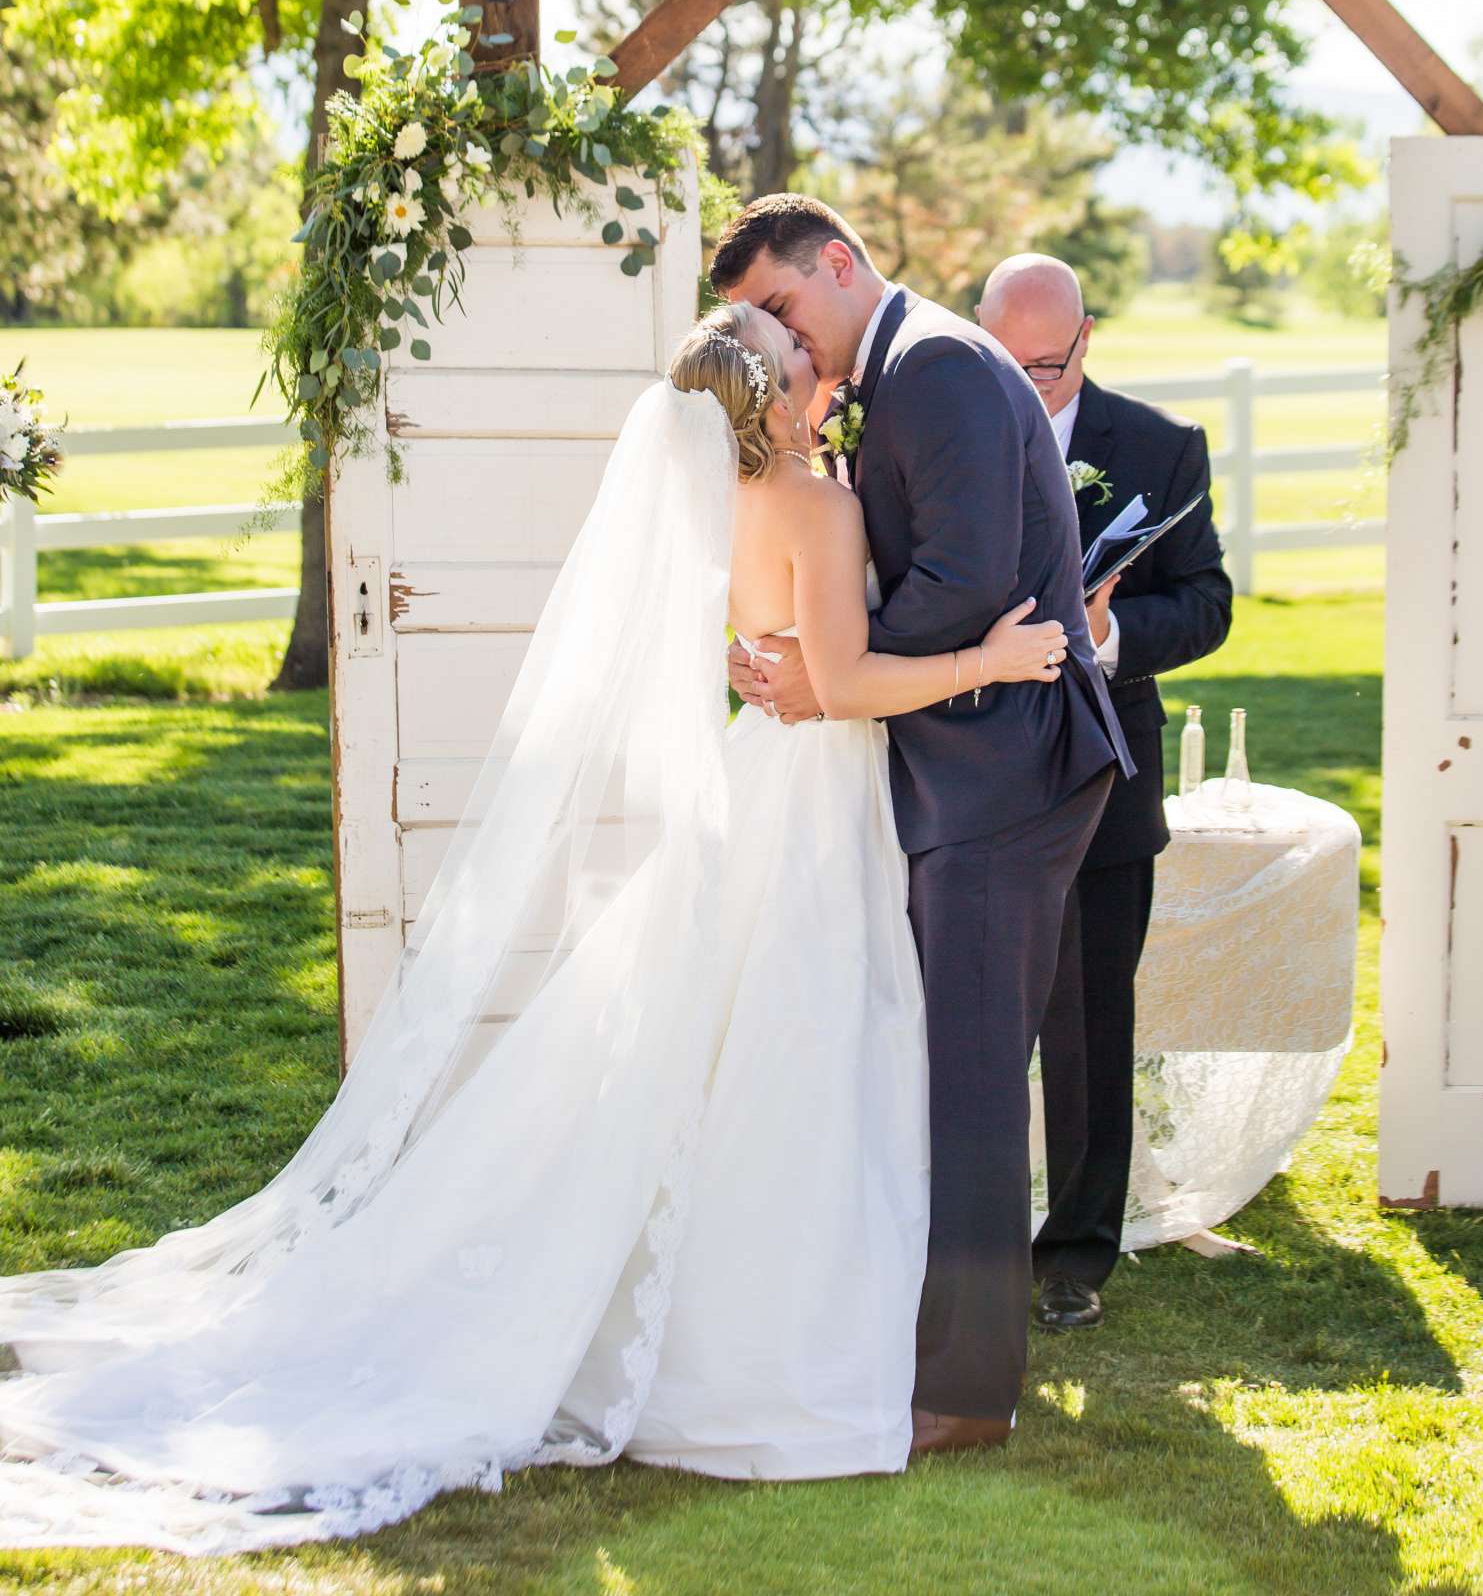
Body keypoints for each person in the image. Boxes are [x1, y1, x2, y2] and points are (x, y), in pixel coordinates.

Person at [0, 307, 1068, 1552]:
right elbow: (841, 684)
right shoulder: (821, 511)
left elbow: (765, 656)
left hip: (766, 782)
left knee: (752, 1058)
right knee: (809, 1056)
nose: (820, 380)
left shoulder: (725, 508)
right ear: (759, 407)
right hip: (813, 806)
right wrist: (987, 657)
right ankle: (781, 1349)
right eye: (795, 374)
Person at [718, 197, 1131, 1454]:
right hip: (959, 764)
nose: (787, 343)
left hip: (1006, 774)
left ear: (838, 265)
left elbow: (962, 579)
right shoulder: (894, 371)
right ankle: (928, 1347)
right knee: (942, 1067)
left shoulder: (940, 365)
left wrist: (824, 670)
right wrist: (825, 659)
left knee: (966, 1082)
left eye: (784, 308)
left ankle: (960, 1394)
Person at [975, 253, 1234, 1334]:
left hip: (1104, 771)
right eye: (1007, 358)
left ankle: (1076, 1253)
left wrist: (1112, 635)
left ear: (1088, 337)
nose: (1028, 381)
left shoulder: (1161, 448)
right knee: (970, 1018)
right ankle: (961, 1245)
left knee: (1088, 1025)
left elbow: (1207, 604)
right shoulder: (942, 424)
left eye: (1049, 360)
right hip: (967, 768)